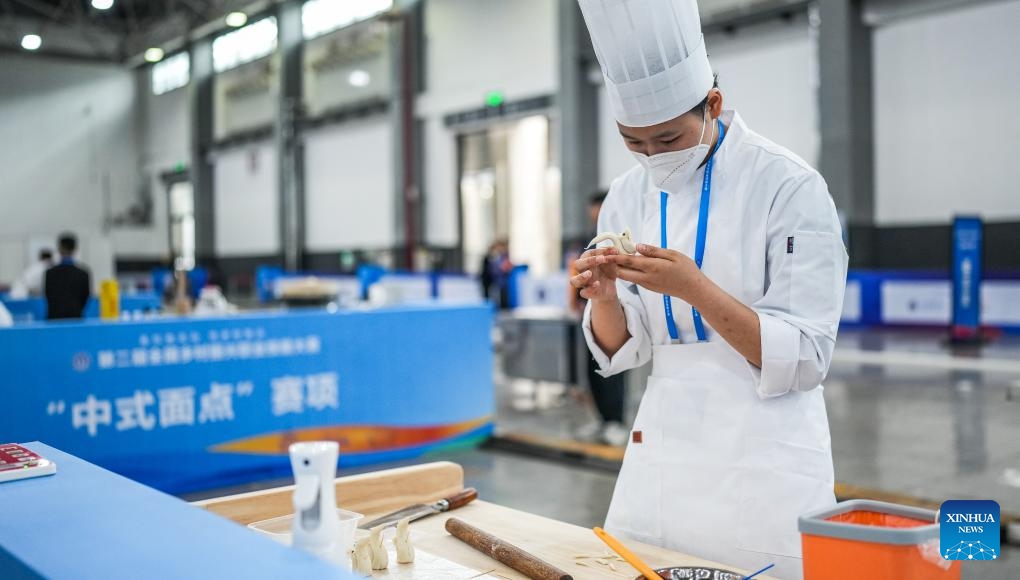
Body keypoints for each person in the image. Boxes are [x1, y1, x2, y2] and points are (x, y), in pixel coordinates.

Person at [570, 1, 848, 578]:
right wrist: (602, 297)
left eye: (668, 138)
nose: (653, 158)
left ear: (713, 105)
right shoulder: (629, 193)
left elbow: (805, 357)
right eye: (634, 143)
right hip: (664, 456)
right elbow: (630, 347)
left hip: (764, 452)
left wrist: (694, 288)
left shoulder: (788, 186)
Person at [568, 193, 628, 447]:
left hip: (614, 309)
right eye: (592, 208)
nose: (595, 212)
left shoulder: (619, 239)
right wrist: (573, 300)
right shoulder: (587, 240)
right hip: (588, 312)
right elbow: (576, 271)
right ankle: (601, 418)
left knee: (614, 365)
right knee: (592, 368)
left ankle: (616, 421)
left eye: (600, 207)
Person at [44, 233, 91, 320]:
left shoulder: (50, 273)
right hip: (76, 318)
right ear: (75, 249)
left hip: (54, 319)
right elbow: (86, 296)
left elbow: (48, 295)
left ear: (59, 248)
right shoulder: (83, 274)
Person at [479, 240, 513, 309]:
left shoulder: (502, 257)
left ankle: (501, 306)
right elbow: (490, 269)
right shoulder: (489, 258)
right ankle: (489, 306)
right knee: (488, 294)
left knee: (498, 293)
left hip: (497, 280)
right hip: (488, 279)